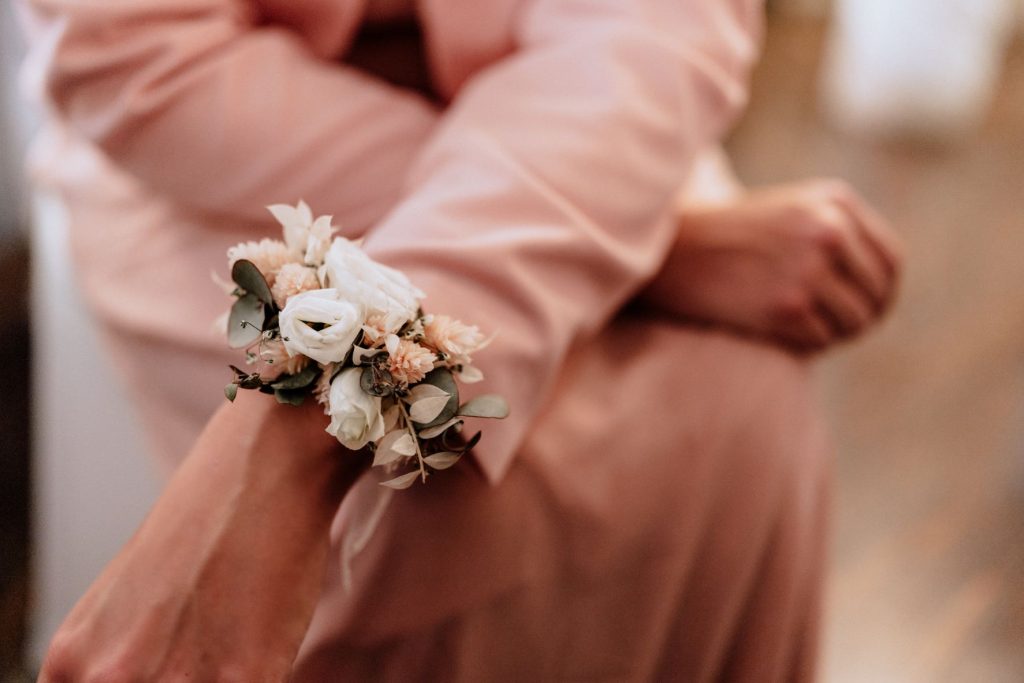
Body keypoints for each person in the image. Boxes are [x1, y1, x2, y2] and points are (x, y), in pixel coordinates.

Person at [19, 0, 902, 680]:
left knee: (742, 404)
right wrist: (657, 250)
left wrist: (310, 405)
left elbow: (639, 40)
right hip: (205, 157)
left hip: (580, 123)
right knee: (443, 506)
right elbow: (138, 52)